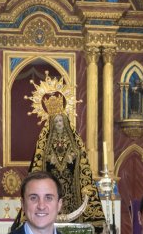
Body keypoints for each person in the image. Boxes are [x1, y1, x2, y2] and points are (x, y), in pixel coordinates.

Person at [23, 91, 104, 225]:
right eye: (56, 121)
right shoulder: (44, 143)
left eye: (61, 120)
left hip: (72, 188)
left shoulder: (75, 142)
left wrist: (73, 157)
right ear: (51, 123)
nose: (59, 123)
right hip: (50, 187)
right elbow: (39, 164)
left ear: (65, 122)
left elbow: (82, 163)